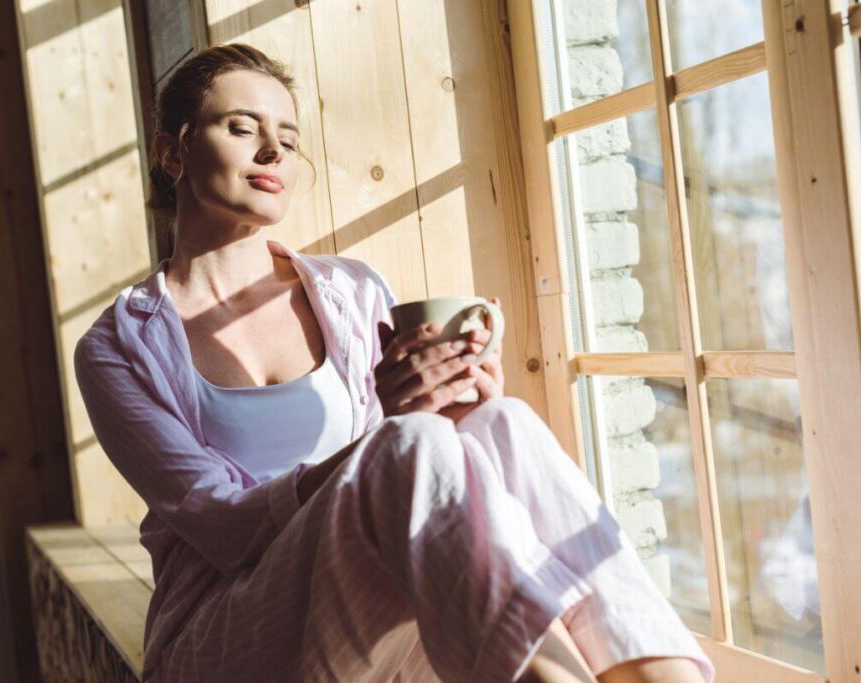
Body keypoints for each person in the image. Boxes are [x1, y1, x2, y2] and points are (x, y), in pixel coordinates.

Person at [73, 43, 714, 683]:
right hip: (222, 634)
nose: (273, 152)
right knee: (408, 443)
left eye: (288, 140)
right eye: (242, 129)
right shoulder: (118, 349)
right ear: (173, 152)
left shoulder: (350, 292)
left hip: (373, 595)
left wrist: (459, 402)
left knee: (503, 424)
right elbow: (226, 530)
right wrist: (388, 439)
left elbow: (417, 467)